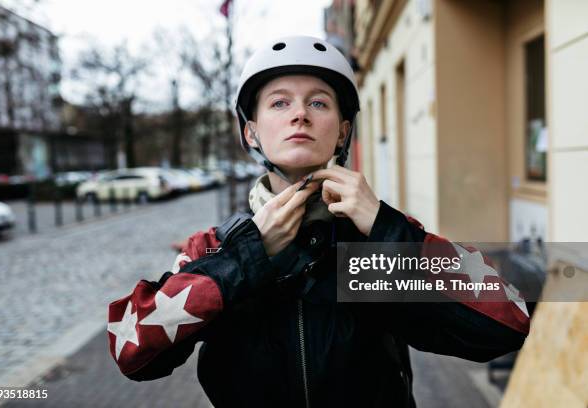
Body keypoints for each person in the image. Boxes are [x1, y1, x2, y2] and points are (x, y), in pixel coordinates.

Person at [107, 36, 531, 408]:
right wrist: (247, 258)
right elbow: (133, 352)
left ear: (343, 132)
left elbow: (506, 322)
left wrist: (383, 227)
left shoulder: (376, 244)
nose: (300, 115)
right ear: (251, 134)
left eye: (318, 102)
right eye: (279, 102)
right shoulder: (213, 249)